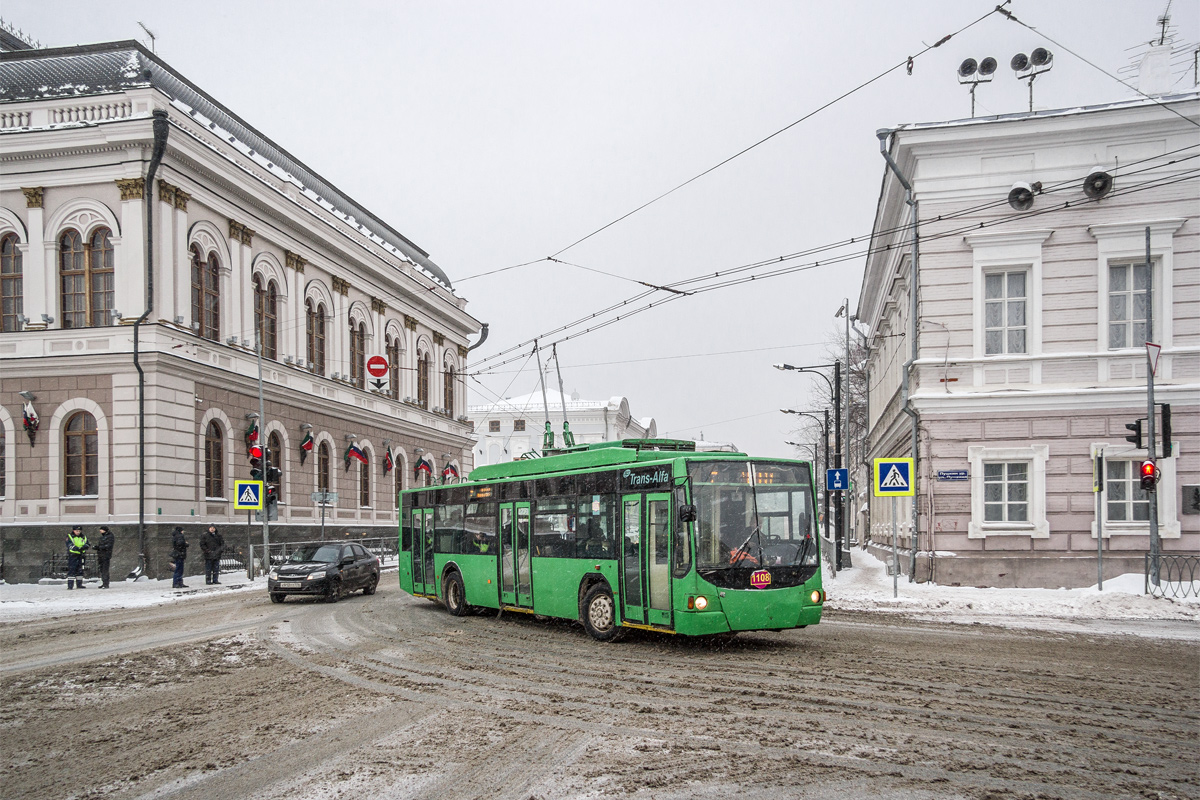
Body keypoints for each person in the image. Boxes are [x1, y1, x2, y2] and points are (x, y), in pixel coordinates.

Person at [65, 524, 89, 590]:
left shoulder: (83, 537)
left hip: (81, 555)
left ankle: (79, 584)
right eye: (77, 531)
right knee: (72, 570)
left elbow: (87, 543)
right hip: (73, 555)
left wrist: (83, 547)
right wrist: (78, 548)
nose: (78, 532)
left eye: (79, 531)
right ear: (73, 531)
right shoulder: (70, 536)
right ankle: (70, 585)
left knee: (80, 570)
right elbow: (70, 545)